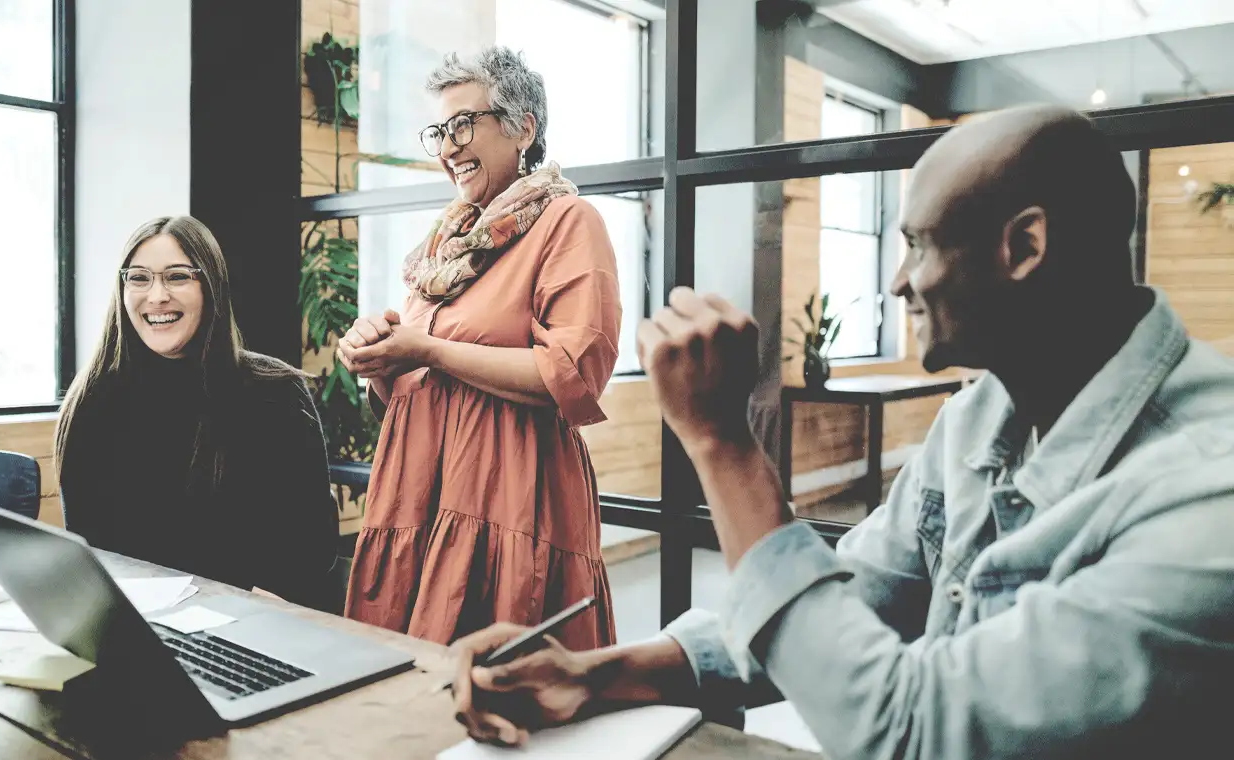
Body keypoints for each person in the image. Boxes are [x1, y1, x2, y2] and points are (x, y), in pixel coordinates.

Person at [447, 105, 1234, 757]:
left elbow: (910, 730)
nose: (897, 283)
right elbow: (846, 603)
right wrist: (595, 673)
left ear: (1024, 247)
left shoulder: (1206, 500)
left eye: (917, 245)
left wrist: (722, 446)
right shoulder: (979, 417)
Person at [338, 47, 621, 649]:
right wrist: (380, 360)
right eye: (440, 131)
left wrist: (429, 350)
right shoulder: (443, 246)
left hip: (510, 498)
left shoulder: (568, 222)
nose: (447, 147)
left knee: (502, 695)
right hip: (416, 493)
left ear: (523, 128)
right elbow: (411, 394)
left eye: (464, 123)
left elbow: (569, 375)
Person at [55, 216, 339, 612]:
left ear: (211, 287)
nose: (156, 296)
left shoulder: (276, 393)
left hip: (253, 624)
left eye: (177, 277)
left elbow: (309, 552)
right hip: (137, 626)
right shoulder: (93, 400)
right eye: (139, 278)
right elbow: (94, 552)